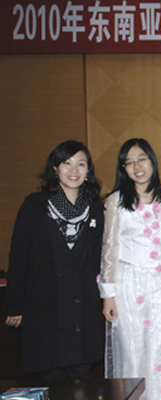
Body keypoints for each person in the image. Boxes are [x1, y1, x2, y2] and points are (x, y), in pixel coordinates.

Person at [5, 140, 104, 379]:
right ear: (55, 168)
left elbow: (98, 261)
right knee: (50, 377)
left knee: (82, 382)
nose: (74, 170)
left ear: (88, 171)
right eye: (67, 163)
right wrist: (15, 305)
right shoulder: (35, 206)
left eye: (81, 164)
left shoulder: (95, 209)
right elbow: (19, 258)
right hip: (45, 306)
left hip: (82, 309)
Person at [99, 138, 161, 400]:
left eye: (141, 159)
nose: (137, 166)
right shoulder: (116, 201)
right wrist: (108, 294)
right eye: (129, 162)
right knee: (132, 352)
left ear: (152, 161)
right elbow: (110, 248)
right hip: (128, 285)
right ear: (124, 168)